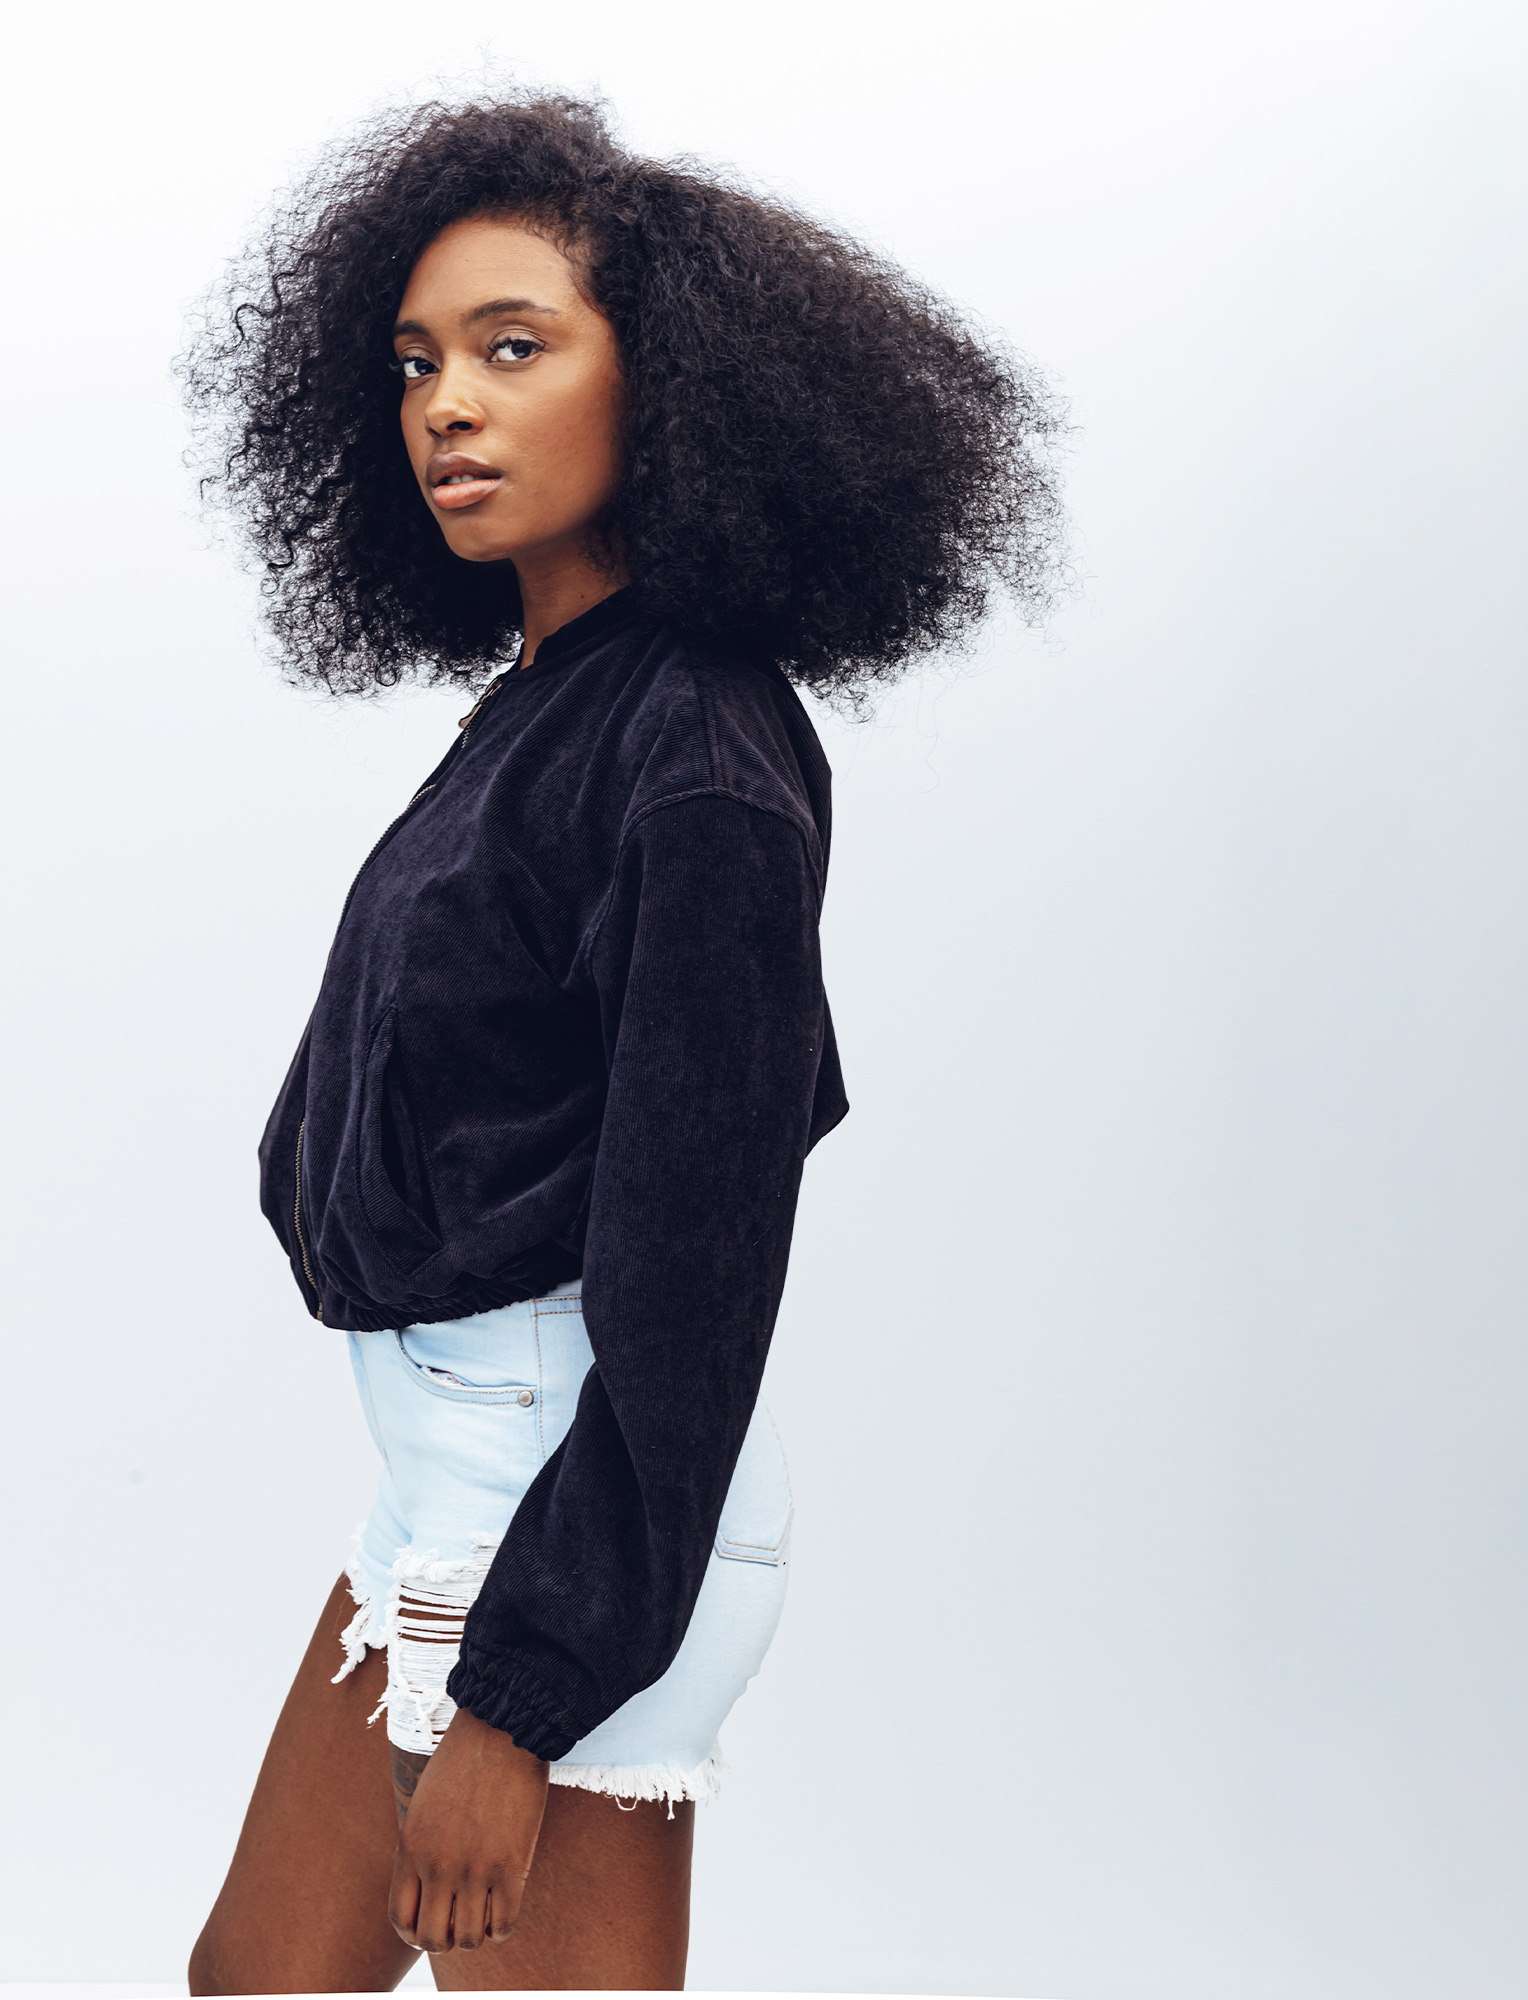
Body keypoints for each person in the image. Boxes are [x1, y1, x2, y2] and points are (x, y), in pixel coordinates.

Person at [179, 93, 1062, 1993]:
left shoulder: (697, 754)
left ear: (668, 383)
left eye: (514, 347)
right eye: (416, 361)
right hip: (451, 1470)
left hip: (578, 1506)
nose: (446, 405)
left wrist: (523, 1703)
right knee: (262, 1977)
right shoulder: (562, 700)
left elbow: (697, 1272)